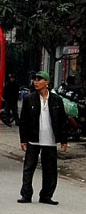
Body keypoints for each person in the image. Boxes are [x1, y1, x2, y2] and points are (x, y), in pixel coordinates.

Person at [17, 71, 68, 205]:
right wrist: (23, 139)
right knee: (29, 168)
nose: (36, 82)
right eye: (35, 79)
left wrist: (63, 140)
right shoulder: (29, 98)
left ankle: (46, 195)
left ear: (47, 82)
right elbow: (23, 121)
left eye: (39, 80)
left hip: (50, 140)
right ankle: (26, 194)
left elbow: (62, 120)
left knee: (50, 169)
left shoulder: (56, 100)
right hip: (33, 139)